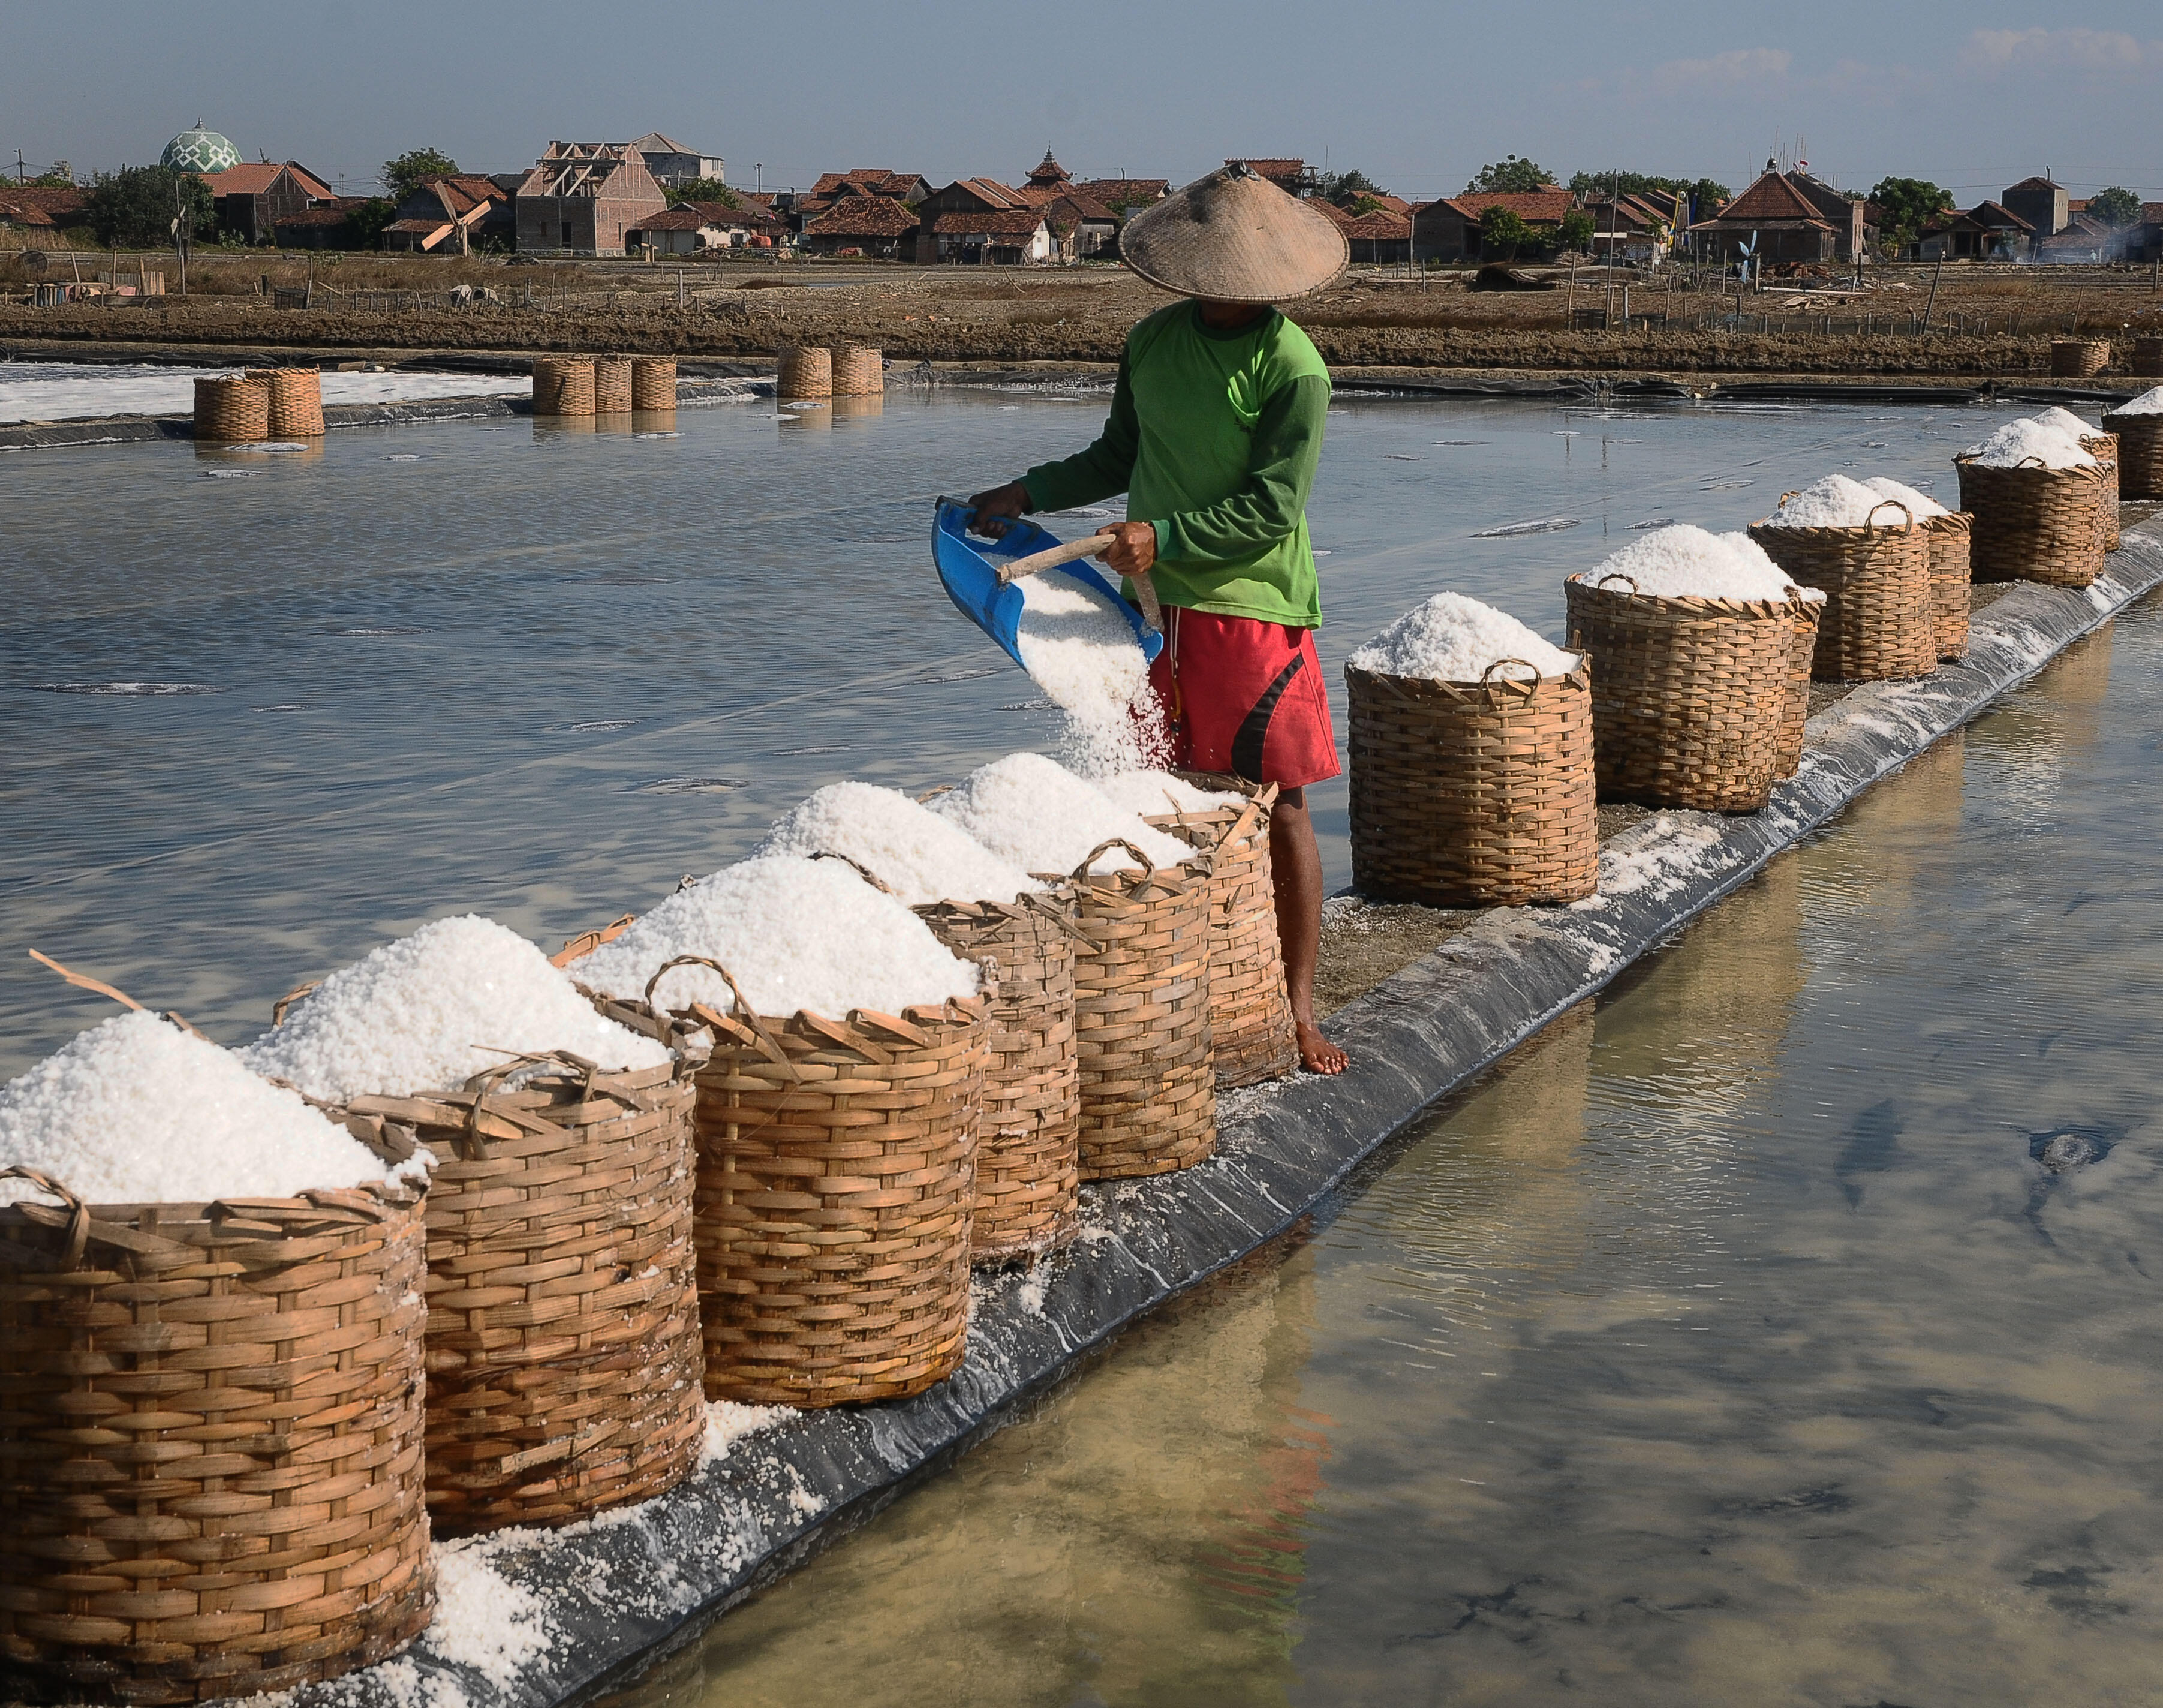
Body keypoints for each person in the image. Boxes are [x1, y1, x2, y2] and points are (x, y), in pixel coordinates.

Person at [969, 164, 1350, 1075]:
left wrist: (1164, 533)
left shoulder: (1293, 368)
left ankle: (1297, 1008)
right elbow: (1118, 454)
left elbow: (1272, 507)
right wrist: (1027, 491)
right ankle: (1178, 994)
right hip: (1148, 604)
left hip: (1249, 604)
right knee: (1160, 796)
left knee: (1279, 802)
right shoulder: (1150, 342)